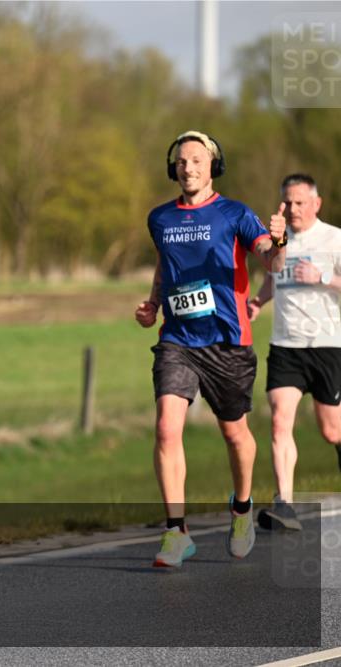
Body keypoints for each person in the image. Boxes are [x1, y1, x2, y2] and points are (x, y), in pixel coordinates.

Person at [135, 130, 286, 568]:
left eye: (197, 160)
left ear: (212, 165)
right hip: (177, 340)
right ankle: (175, 532)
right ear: (173, 167)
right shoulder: (159, 219)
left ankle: (241, 508)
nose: (189, 168)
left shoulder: (235, 213)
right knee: (166, 428)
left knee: (234, 433)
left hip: (227, 340)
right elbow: (166, 265)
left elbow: (271, 261)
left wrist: (279, 241)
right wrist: (153, 304)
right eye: (182, 161)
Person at [246, 174, 341, 531]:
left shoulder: (334, 239)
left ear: (316, 203)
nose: (294, 209)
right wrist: (258, 302)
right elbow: (274, 276)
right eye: (288, 202)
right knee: (279, 419)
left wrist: (321, 277)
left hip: (327, 346)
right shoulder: (278, 240)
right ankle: (284, 503)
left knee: (333, 431)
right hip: (285, 346)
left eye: (301, 202)